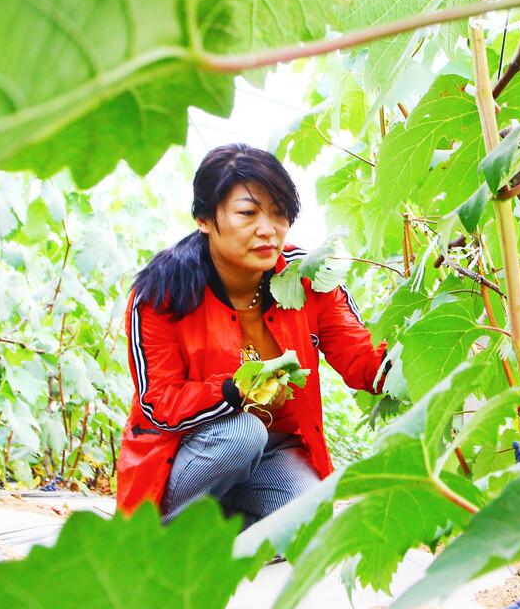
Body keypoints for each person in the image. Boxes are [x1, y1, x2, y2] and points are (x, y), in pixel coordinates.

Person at [114, 144, 387, 529]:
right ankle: (163, 532)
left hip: (274, 451)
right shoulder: (162, 294)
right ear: (205, 218)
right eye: (248, 213)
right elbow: (158, 403)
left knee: (312, 521)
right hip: (190, 455)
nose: (268, 230)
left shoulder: (306, 280)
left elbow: (361, 358)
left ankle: (217, 535)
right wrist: (231, 391)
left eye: (279, 214)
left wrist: (410, 360)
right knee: (243, 433)